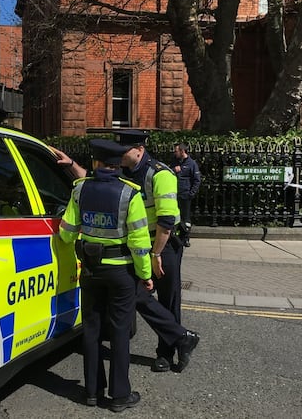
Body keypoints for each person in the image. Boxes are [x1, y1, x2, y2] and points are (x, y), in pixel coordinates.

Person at [53, 134, 200, 373]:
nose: (119, 154)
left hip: (162, 245)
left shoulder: (160, 174)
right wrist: (71, 164)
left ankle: (166, 353)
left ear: (139, 149)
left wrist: (156, 254)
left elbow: (167, 221)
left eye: (124, 149)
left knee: (168, 298)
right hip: (136, 246)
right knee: (137, 295)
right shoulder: (122, 171)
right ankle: (182, 338)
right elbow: (94, 180)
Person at [57, 138, 153, 413]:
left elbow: (66, 233)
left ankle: (92, 391)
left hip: (90, 269)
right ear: (119, 163)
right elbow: (139, 242)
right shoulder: (130, 193)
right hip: (121, 272)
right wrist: (145, 274)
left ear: (96, 162)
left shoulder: (80, 189)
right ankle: (120, 396)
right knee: (120, 331)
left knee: (92, 329)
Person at [173, 142, 202, 247]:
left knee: (186, 218)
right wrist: (174, 170)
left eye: (176, 151)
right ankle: (175, 237)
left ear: (182, 151)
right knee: (175, 217)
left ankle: (185, 238)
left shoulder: (191, 163)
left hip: (185, 195)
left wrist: (191, 194)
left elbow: (197, 180)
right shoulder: (174, 162)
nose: (174, 153)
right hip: (175, 194)